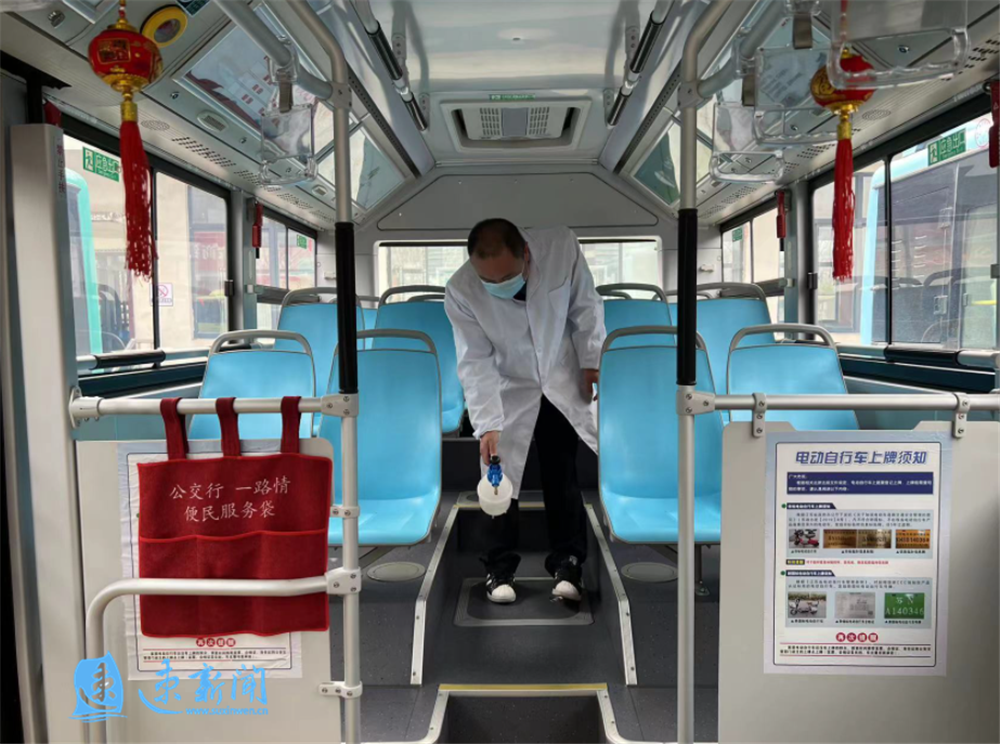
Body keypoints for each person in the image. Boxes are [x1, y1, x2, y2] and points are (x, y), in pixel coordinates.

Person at [444, 218, 605, 604]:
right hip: (507, 386)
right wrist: (487, 423)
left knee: (562, 474)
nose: (498, 286)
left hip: (559, 376)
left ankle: (568, 564)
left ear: (527, 255)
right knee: (498, 478)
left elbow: (586, 307)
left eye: (506, 278)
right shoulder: (461, 290)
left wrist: (591, 362)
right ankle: (498, 568)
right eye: (489, 281)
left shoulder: (561, 247)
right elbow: (474, 360)